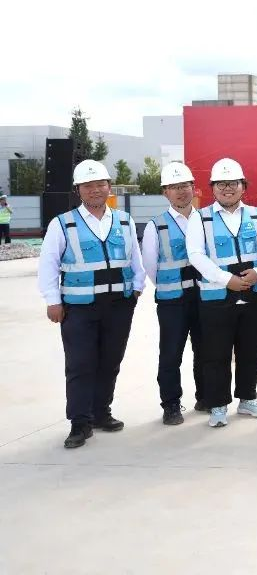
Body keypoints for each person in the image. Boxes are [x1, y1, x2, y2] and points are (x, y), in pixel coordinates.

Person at [38, 159, 145, 449]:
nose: (95, 190)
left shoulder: (124, 220)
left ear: (109, 187)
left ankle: (101, 412)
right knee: (80, 364)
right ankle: (80, 422)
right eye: (88, 186)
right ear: (78, 190)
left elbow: (135, 258)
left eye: (100, 184)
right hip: (79, 307)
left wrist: (137, 288)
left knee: (110, 361)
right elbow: (48, 265)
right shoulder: (63, 224)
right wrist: (52, 300)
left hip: (119, 305)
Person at [186, 157, 257, 428]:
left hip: (253, 292)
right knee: (216, 352)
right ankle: (218, 404)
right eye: (221, 184)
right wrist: (227, 280)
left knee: (251, 349)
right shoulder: (200, 218)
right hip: (217, 296)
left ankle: (247, 398)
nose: (227, 188)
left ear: (243, 186)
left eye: (233, 183)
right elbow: (196, 255)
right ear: (212, 188)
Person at [142, 161, 205, 425]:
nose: (180, 191)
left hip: (204, 297)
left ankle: (206, 396)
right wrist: (171, 285)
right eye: (174, 187)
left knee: (206, 350)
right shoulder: (156, 226)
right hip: (173, 301)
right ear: (165, 192)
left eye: (185, 185)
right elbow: (150, 266)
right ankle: (171, 404)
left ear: (193, 188)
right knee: (171, 354)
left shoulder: (206, 220)